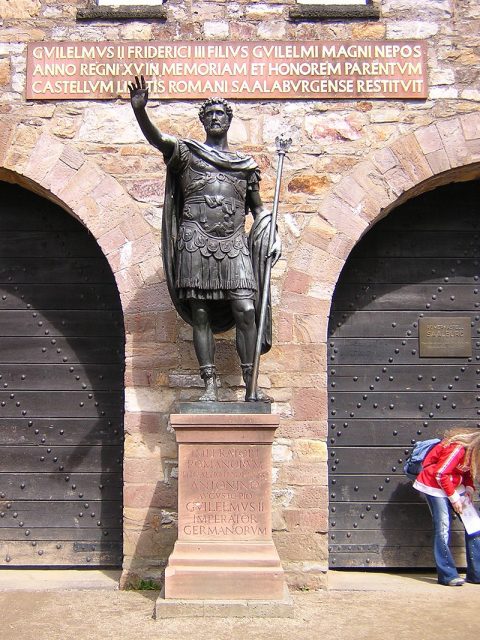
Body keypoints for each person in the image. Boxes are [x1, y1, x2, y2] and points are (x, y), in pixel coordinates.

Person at [128, 76, 280, 402]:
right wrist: (141, 113)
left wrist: (271, 233)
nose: (214, 118)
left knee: (245, 309)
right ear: (202, 120)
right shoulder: (186, 153)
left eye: (220, 114)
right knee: (200, 314)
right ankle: (209, 383)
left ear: (228, 120)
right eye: (209, 114)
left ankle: (251, 385)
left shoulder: (245, 166)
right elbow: (158, 139)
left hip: (233, 243)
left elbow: (259, 210)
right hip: (194, 241)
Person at [413, 428, 480, 586]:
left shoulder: (473, 454)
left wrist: (469, 490)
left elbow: (467, 473)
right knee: (443, 527)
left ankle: (476, 573)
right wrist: (454, 498)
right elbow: (440, 474)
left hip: (453, 485)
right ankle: (447, 575)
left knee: (475, 526)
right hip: (434, 486)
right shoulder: (457, 449)